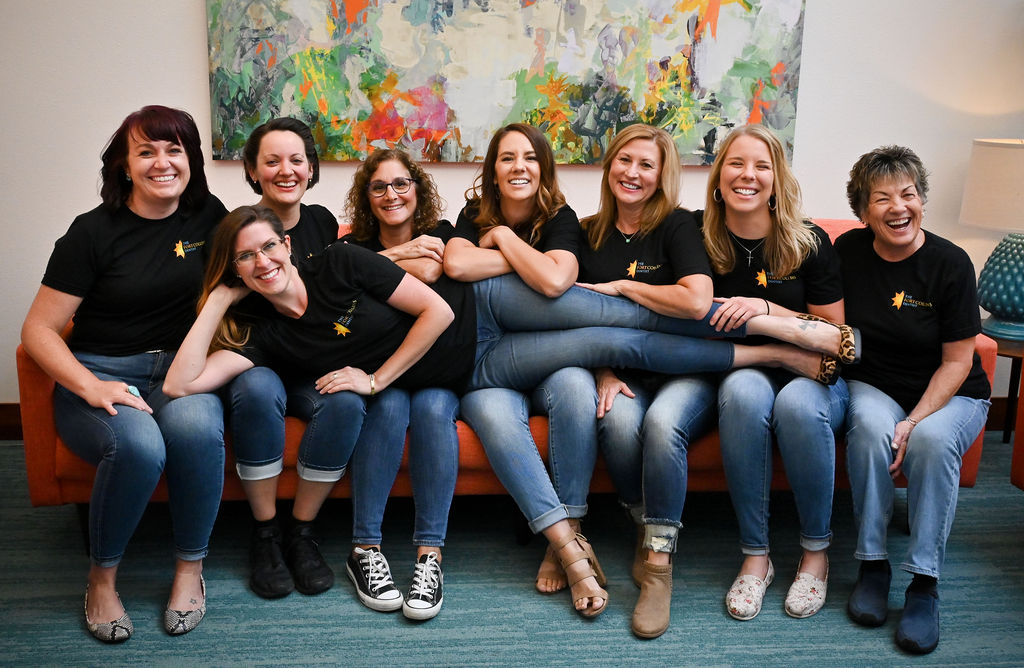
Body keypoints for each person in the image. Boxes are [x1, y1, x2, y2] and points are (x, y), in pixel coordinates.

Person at [441, 123, 854, 618]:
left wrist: (608, 282)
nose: (518, 167)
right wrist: (514, 254)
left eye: (528, 157)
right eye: (506, 158)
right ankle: (772, 347)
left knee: (615, 334)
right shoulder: (507, 219)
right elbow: (465, 266)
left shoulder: (570, 219)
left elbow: (556, 281)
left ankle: (632, 551)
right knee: (611, 343)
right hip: (490, 349)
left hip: (576, 348)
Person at [20, 105, 227, 642]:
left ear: (192, 160)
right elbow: (39, 330)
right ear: (124, 165)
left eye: (174, 149)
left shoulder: (209, 217)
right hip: (103, 372)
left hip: (179, 374)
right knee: (140, 448)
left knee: (200, 432)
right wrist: (90, 385)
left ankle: (189, 570)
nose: (162, 162)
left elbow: (263, 264)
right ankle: (102, 578)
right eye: (146, 151)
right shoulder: (92, 233)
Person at [532, 123, 719, 637]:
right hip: (623, 371)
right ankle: (642, 525)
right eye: (624, 161)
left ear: (662, 176)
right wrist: (603, 370)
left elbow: (697, 300)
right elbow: (573, 319)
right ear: (609, 165)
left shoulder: (679, 226)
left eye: (646, 165)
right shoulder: (586, 233)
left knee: (661, 425)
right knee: (613, 419)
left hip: (685, 371)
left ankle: (658, 566)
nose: (632, 173)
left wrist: (623, 287)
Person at [838, 145, 990, 654]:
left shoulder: (951, 263)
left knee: (929, 442)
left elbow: (959, 361)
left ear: (922, 200)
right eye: (881, 198)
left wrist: (916, 419)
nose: (898, 207)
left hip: (952, 393)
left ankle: (924, 584)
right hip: (877, 383)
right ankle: (873, 565)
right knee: (868, 429)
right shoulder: (848, 253)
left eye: (908, 194)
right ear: (863, 212)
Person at [698, 125, 851, 623]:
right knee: (742, 393)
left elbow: (834, 337)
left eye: (762, 166)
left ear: (777, 178)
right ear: (719, 176)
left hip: (814, 378)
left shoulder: (809, 242)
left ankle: (814, 554)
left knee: (797, 405)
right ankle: (756, 555)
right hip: (743, 369)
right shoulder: (697, 237)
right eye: (736, 164)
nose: (748, 175)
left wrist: (764, 308)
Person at [225, 117, 350, 602]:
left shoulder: (319, 221)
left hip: (312, 367)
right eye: (272, 161)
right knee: (257, 388)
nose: (286, 170)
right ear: (253, 171)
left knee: (344, 399)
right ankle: (265, 535)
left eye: (296, 160)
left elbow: (344, 277)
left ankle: (301, 533)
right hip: (258, 364)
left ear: (311, 167)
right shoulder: (240, 228)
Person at [338, 148, 460, 620]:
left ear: (417, 188)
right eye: (379, 187)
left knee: (431, 410)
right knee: (387, 410)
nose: (391, 194)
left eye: (401, 184)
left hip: (436, 372)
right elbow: (336, 283)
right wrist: (401, 254)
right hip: (378, 371)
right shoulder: (351, 248)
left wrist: (383, 267)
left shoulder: (445, 235)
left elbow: (431, 271)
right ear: (367, 197)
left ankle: (431, 558)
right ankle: (364, 549)